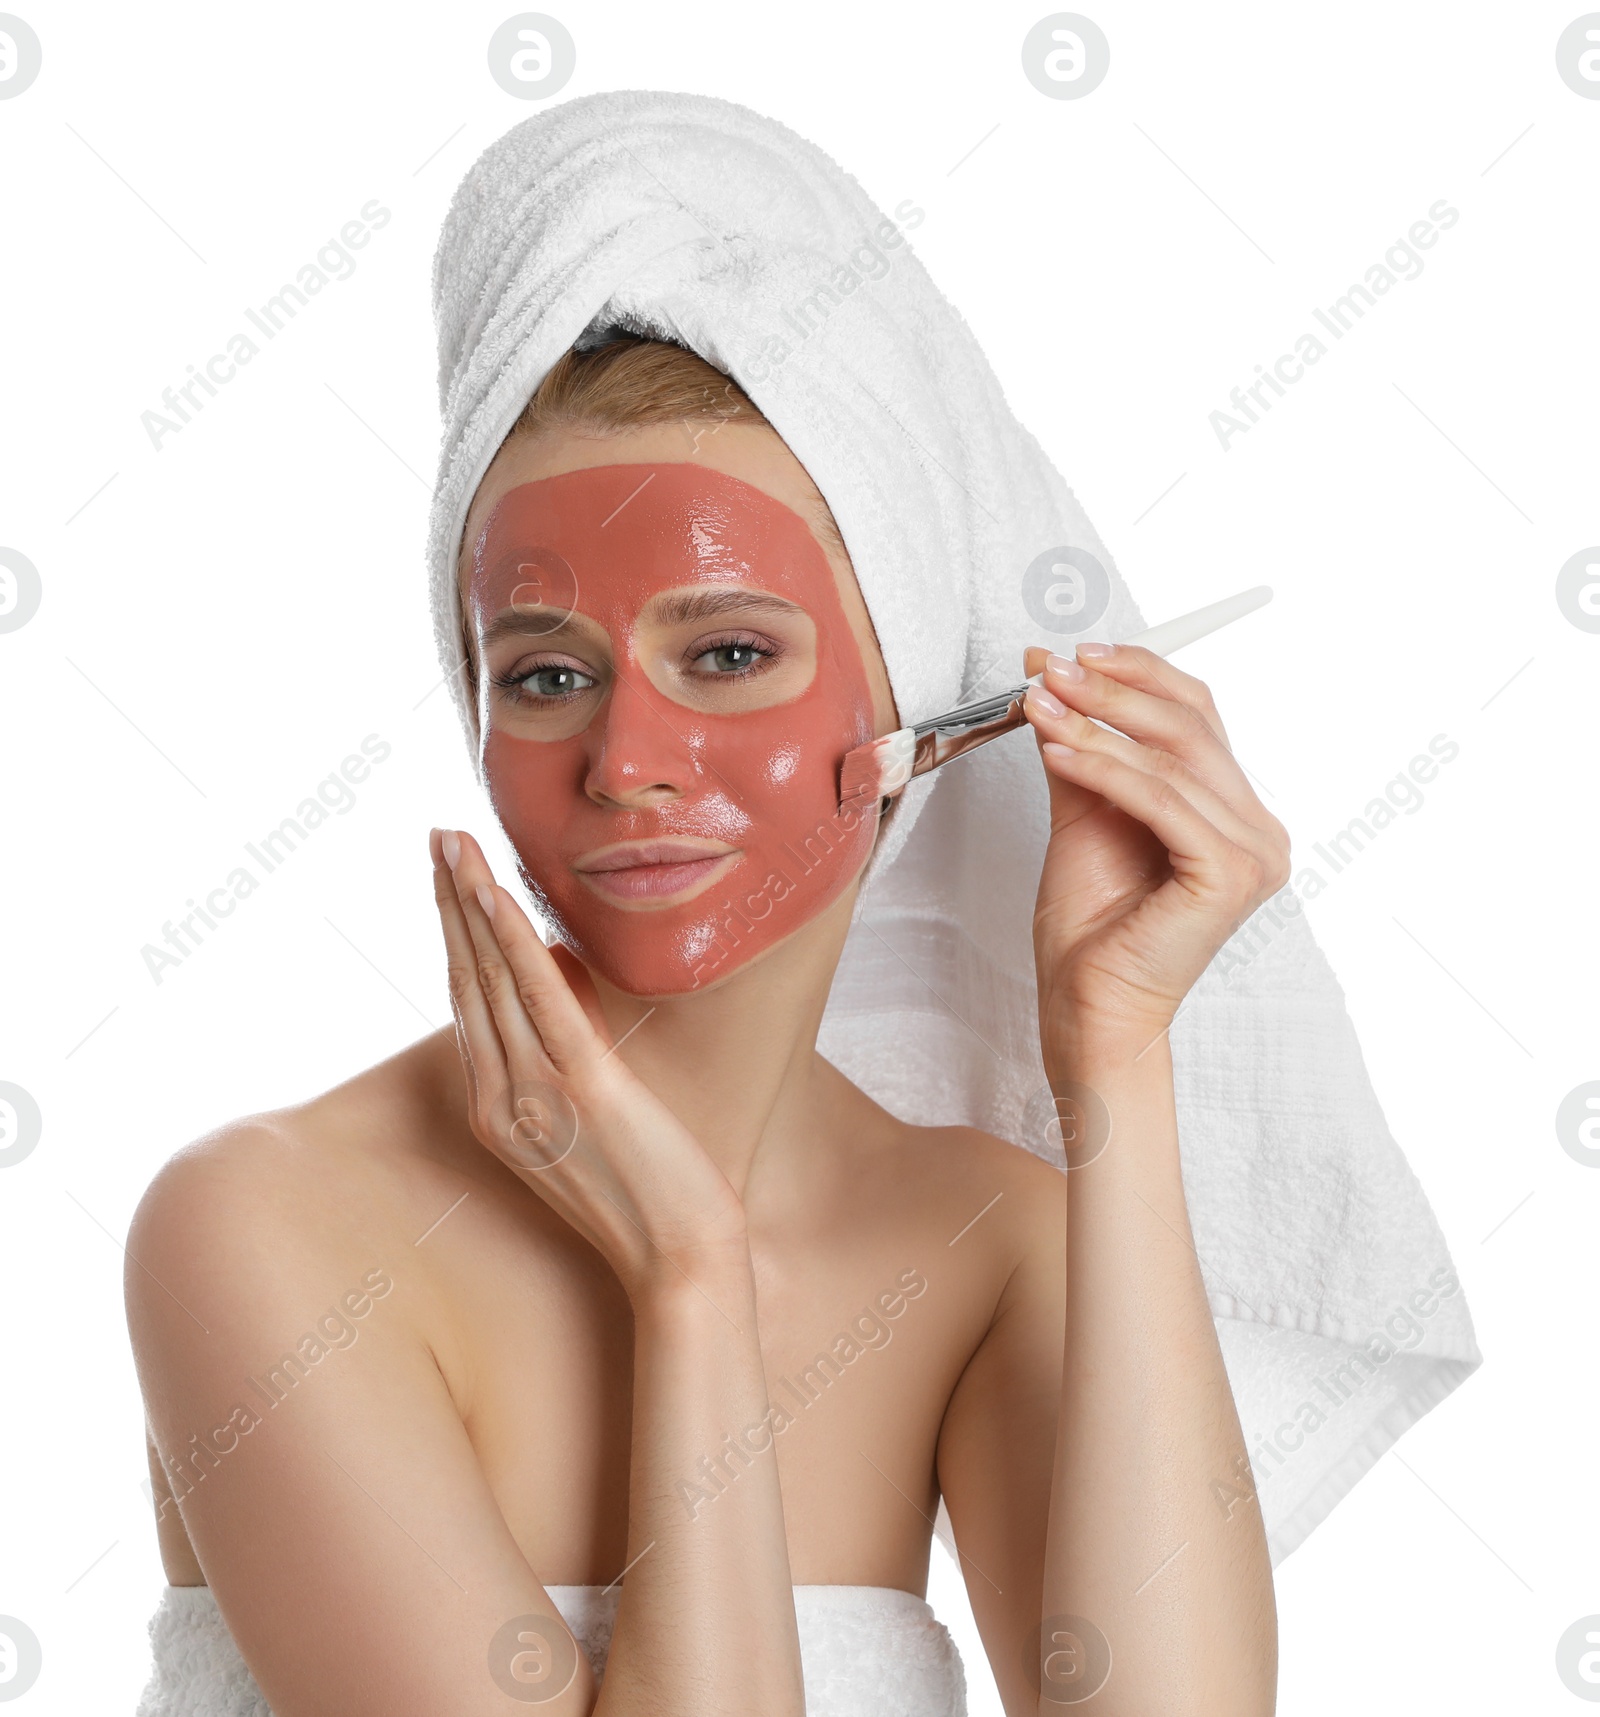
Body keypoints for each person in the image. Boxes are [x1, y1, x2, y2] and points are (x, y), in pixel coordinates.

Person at [127, 333, 1285, 1715]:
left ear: (915, 709)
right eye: (549, 675)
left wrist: (1120, 1051)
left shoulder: (985, 1248)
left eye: (729, 651)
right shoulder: (265, 1225)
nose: (626, 765)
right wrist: (690, 1277)